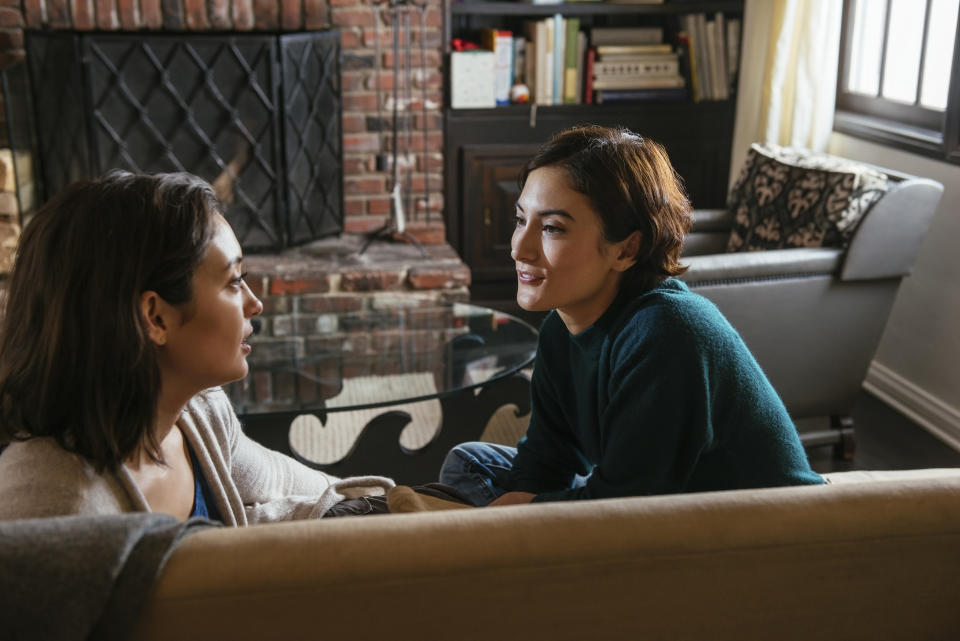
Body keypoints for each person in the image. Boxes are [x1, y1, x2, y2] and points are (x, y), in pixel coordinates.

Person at [439, 125, 824, 507]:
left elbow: (627, 508)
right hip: (659, 497)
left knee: (484, 499)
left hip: (751, 533)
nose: (519, 249)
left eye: (552, 228)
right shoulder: (562, 327)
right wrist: (517, 504)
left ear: (626, 250)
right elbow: (546, 458)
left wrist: (520, 515)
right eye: (521, 220)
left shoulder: (669, 332)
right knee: (470, 462)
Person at [0, 170, 397, 523]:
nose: (255, 304)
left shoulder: (197, 414)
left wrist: (398, 507)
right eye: (234, 281)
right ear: (155, 318)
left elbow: (282, 482)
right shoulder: (51, 509)